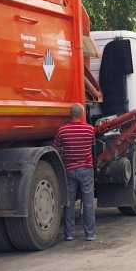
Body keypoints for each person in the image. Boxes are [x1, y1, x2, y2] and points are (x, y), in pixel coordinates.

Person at [53, 103, 97, 241]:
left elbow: (57, 149)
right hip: (86, 169)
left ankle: (69, 234)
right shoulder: (90, 130)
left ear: (70, 114)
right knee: (88, 203)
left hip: (69, 170)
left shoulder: (62, 131)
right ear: (82, 114)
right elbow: (92, 147)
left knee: (69, 203)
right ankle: (89, 234)